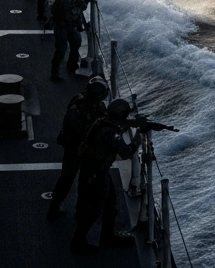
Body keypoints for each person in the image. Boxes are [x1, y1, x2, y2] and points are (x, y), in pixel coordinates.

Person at [71, 100, 177, 255]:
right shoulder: (111, 132)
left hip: (95, 171)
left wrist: (151, 124)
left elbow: (126, 123)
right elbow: (126, 152)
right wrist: (138, 139)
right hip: (96, 174)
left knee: (110, 204)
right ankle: (78, 242)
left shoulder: (103, 121)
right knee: (93, 210)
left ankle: (107, 236)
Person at [46, 75, 109, 222]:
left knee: (66, 179)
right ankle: (79, 212)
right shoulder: (96, 108)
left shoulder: (78, 99)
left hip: (72, 147)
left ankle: (54, 208)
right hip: (82, 150)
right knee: (83, 182)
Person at [49, 0, 90, 82]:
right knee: (61, 49)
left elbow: (83, 7)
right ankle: (54, 72)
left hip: (71, 25)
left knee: (76, 43)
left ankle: (72, 63)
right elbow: (71, 14)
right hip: (62, 25)